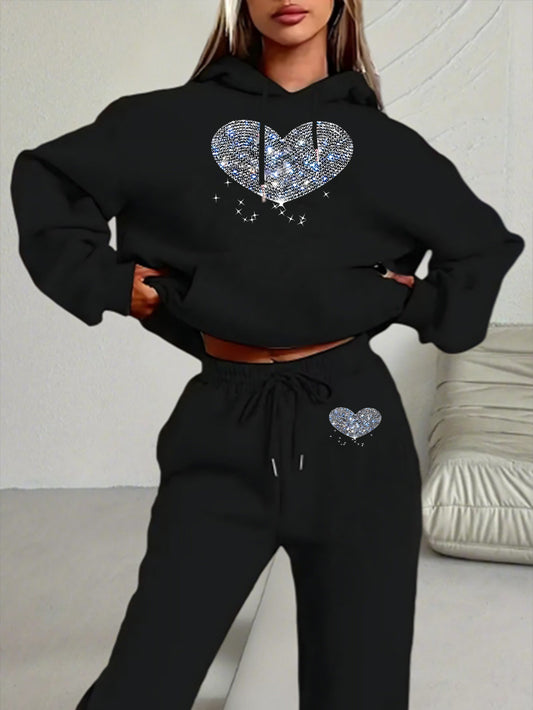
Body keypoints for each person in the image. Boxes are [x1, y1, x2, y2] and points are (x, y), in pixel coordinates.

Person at [10, 1, 525, 708]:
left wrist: (415, 304)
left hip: (357, 434)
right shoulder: (168, 123)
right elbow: (49, 177)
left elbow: (482, 245)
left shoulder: (383, 145)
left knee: (360, 691)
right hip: (221, 426)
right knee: (144, 685)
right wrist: (108, 284)